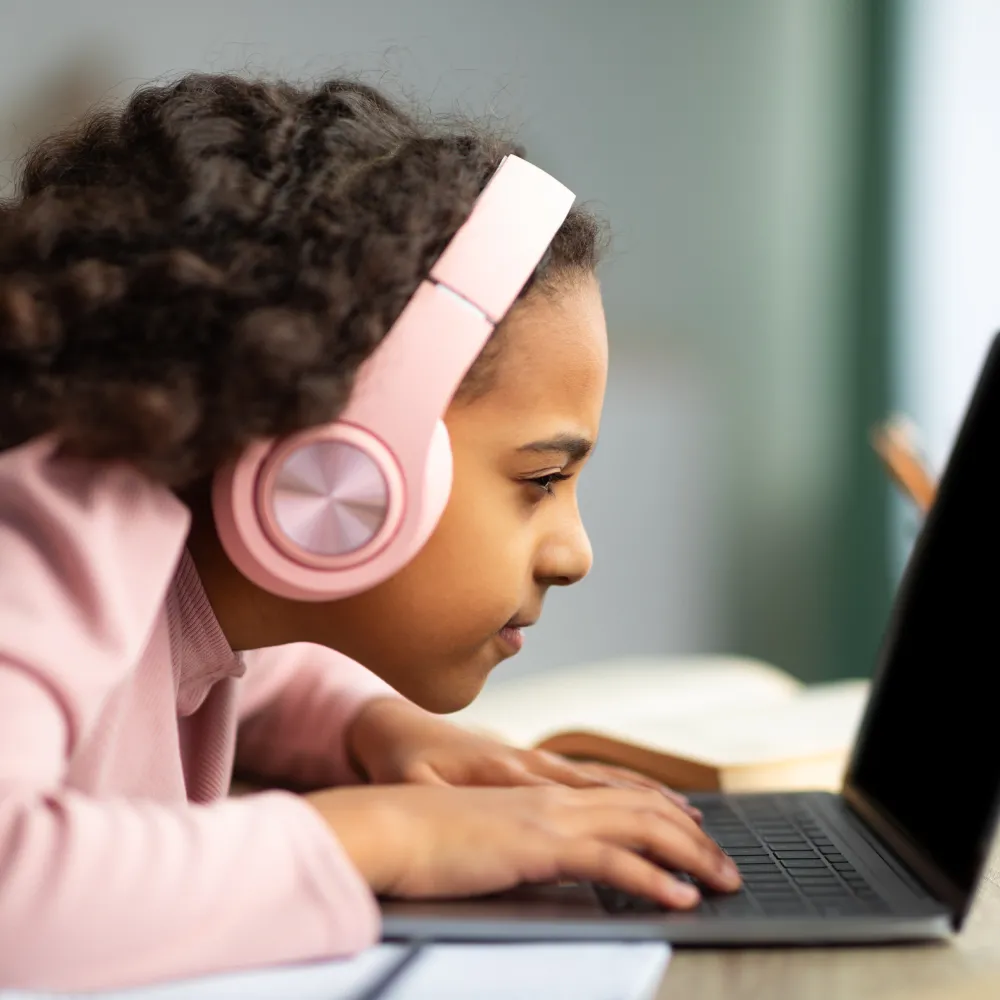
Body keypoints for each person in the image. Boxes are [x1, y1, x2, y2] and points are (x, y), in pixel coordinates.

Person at [0, 73, 741, 991]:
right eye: (540, 481)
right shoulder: (51, 530)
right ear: (339, 469)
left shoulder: (165, 576)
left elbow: (215, 669)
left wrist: (370, 728)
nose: (574, 554)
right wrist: (390, 838)